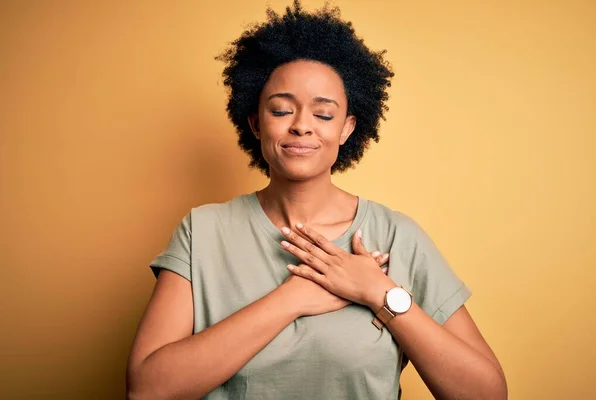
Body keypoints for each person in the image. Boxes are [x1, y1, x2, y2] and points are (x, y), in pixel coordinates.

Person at [126, 1, 507, 399]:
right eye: (281, 110)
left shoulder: (396, 236)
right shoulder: (202, 232)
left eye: (323, 115)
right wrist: (291, 300)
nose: (302, 125)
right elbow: (147, 390)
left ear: (347, 129)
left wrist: (380, 294)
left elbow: (487, 394)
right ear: (256, 122)